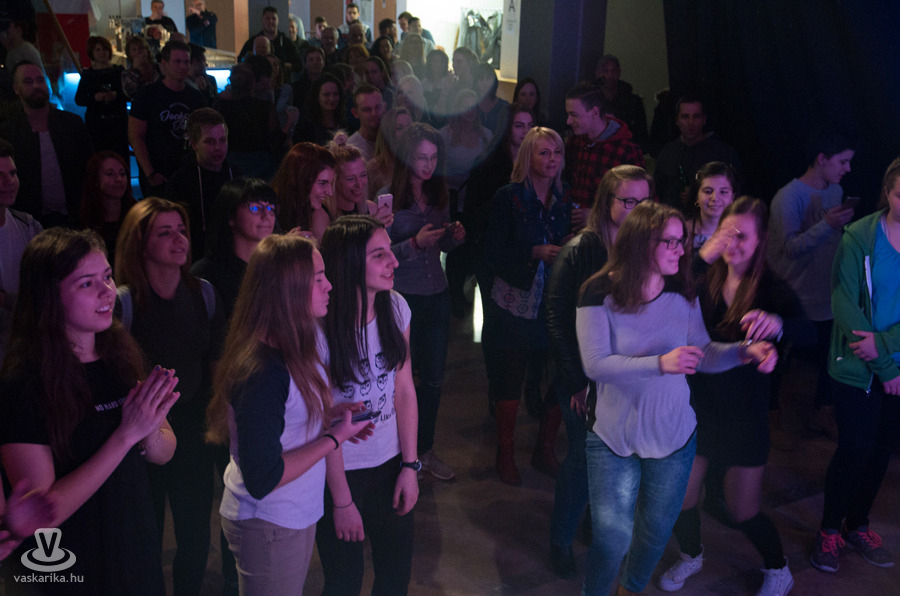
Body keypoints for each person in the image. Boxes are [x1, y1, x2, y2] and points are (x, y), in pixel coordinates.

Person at [575, 200, 777, 595]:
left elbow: (703, 352)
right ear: (639, 243)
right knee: (613, 539)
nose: (680, 250)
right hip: (613, 437)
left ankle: (630, 589)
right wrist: (660, 363)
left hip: (673, 436)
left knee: (654, 534)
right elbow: (595, 365)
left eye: (682, 240)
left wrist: (743, 352)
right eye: (669, 241)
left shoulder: (684, 291)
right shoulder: (598, 291)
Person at [0, 227, 177, 592]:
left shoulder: (118, 356)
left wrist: (148, 428)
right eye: (86, 283)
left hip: (134, 550)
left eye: (107, 277)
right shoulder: (22, 384)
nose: (107, 291)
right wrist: (125, 435)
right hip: (71, 567)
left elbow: (164, 453)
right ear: (49, 297)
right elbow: (43, 513)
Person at [206, 233, 374, 595]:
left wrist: (330, 415)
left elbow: (287, 418)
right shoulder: (261, 372)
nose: (329, 286)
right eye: (318, 278)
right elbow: (263, 477)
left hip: (291, 512)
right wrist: (332, 439)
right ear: (288, 290)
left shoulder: (299, 340)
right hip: (268, 521)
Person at [659, 197, 800, 595]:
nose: (733, 243)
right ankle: (691, 554)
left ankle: (778, 568)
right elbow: (670, 287)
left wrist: (778, 324)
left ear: (760, 240)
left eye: (743, 236)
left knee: (742, 510)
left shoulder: (770, 287)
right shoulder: (703, 278)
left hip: (744, 415)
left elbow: (807, 332)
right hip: (700, 407)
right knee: (681, 496)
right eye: (727, 233)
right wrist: (704, 253)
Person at [544, 164, 652, 578]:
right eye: (629, 201)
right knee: (582, 460)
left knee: (613, 457)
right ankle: (560, 539)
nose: (639, 210)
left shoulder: (642, 249)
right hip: (583, 378)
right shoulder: (579, 250)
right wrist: (576, 383)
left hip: (620, 376)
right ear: (607, 202)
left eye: (645, 201)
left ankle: (591, 520)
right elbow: (556, 321)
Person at [115, 198, 224, 596]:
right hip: (138, 436)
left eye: (181, 230)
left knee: (195, 537)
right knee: (143, 537)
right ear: (140, 243)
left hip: (193, 430)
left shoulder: (204, 294)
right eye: (165, 232)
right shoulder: (123, 303)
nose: (179, 239)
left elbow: (215, 363)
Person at [315, 215, 419, 596]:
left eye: (389, 251)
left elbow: (404, 389)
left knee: (395, 577)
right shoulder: (320, 328)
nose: (393, 261)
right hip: (341, 471)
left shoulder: (397, 308)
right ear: (348, 263)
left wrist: (410, 465)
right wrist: (342, 500)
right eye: (379, 255)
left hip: (390, 463)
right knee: (343, 581)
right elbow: (320, 420)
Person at [810, 157, 900, 574]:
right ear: (888, 193)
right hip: (860, 368)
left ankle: (857, 525)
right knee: (855, 449)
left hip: (893, 364)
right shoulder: (859, 237)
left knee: (882, 451)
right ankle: (829, 529)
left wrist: (886, 346)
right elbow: (843, 302)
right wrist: (886, 367)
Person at [484, 127, 574, 485]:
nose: (552, 160)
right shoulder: (508, 197)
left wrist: (570, 243)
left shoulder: (564, 196)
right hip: (515, 298)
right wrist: (534, 251)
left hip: (554, 297)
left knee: (559, 373)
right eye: (543, 153)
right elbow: (491, 252)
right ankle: (504, 453)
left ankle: (544, 449)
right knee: (510, 377)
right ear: (527, 156)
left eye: (557, 153)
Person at [386, 123, 464, 481]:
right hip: (403, 296)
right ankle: (400, 455)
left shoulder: (438, 195)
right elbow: (380, 253)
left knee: (433, 379)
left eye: (433, 158)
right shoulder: (388, 198)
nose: (428, 165)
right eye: (421, 157)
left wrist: (453, 237)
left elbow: (442, 245)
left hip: (436, 294)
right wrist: (414, 244)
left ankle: (425, 450)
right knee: (399, 379)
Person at [767, 132, 855, 441]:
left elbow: (830, 241)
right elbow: (790, 248)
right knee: (780, 358)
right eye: (842, 161)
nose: (847, 169)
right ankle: (772, 416)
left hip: (827, 291)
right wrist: (827, 224)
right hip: (794, 294)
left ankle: (822, 411)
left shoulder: (836, 190)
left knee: (834, 354)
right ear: (822, 159)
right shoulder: (789, 197)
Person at [0, 62, 91, 228]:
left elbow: (89, 168)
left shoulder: (72, 124)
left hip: (75, 217)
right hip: (29, 222)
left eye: (40, 80)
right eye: (28, 81)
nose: (36, 85)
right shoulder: (9, 133)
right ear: (16, 89)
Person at [129, 40, 207, 198]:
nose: (183, 66)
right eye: (177, 62)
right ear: (164, 64)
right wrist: (150, 173)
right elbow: (135, 136)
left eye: (186, 62)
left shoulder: (196, 98)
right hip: (158, 173)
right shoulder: (147, 95)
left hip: (188, 172)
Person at [439, 89, 492, 316]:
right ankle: (454, 294)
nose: (470, 112)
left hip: (477, 203)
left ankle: (463, 291)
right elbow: (438, 170)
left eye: (474, 106)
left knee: (471, 249)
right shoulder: (445, 135)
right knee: (455, 249)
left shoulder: (486, 135)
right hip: (453, 202)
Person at [192, 178, 276, 316]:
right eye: (255, 208)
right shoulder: (207, 273)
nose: (266, 216)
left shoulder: (277, 267)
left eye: (270, 208)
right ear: (231, 215)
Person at [166, 107, 238, 256]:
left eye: (222, 140)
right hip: (197, 254)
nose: (218, 148)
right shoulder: (180, 181)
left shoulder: (236, 175)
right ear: (194, 144)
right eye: (210, 142)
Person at [564, 81, 645, 208]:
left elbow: (641, 203)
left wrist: (596, 214)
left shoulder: (625, 150)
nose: (568, 121)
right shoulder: (575, 143)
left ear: (594, 113)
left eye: (574, 115)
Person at [654, 96, 741, 209]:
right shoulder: (668, 152)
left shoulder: (722, 153)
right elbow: (657, 191)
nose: (691, 123)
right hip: (672, 215)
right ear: (677, 120)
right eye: (685, 117)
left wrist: (700, 194)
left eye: (696, 116)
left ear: (704, 119)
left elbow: (737, 192)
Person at [213, 61, 291, 181]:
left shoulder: (221, 105)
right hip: (261, 165)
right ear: (253, 84)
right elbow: (276, 139)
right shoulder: (265, 107)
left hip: (229, 161)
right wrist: (289, 123)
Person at [0, 142, 42, 361]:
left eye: (12, 173)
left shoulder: (29, 226)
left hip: (28, 350)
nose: (9, 182)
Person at [75, 36, 129, 162]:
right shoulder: (88, 75)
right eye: (98, 50)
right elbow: (79, 99)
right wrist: (95, 98)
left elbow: (129, 94)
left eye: (104, 49)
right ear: (92, 53)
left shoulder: (119, 71)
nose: (102, 53)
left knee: (120, 158)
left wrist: (117, 95)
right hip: (97, 125)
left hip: (118, 123)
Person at [272, 142, 336, 243]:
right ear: (301, 179)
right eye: (323, 183)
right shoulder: (268, 210)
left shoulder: (316, 212)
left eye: (330, 183)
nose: (329, 192)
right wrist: (283, 244)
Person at [80, 150, 135, 267]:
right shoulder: (82, 220)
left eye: (122, 174)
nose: (119, 179)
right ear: (95, 180)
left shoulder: (137, 214)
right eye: (110, 174)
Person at [594, 55, 649, 152]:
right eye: (605, 71)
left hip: (625, 153)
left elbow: (641, 137)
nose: (610, 76)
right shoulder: (590, 101)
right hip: (596, 153)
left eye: (614, 71)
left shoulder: (633, 103)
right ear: (597, 73)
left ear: (619, 73)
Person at [331, 145, 392, 226]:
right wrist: (370, 226)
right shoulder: (323, 215)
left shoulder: (372, 209)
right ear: (335, 180)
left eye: (363, 175)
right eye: (351, 179)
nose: (359, 184)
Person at [686, 161, 738, 250]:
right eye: (708, 191)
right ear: (697, 197)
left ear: (732, 197)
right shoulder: (682, 231)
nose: (715, 198)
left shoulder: (740, 233)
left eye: (723, 192)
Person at [237, 6, 302, 74]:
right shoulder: (254, 41)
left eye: (273, 18)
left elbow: (299, 65)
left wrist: (280, 65)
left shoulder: (286, 42)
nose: (270, 21)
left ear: (278, 21)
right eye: (267, 18)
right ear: (262, 20)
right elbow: (240, 61)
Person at [366, 106, 413, 200]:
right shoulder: (373, 168)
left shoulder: (418, 163)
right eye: (399, 128)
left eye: (409, 127)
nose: (406, 132)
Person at [294, 72, 346, 146]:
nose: (332, 99)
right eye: (326, 95)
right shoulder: (305, 126)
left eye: (335, 94)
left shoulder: (344, 123)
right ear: (317, 97)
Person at [121, 35, 160, 100]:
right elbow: (132, 93)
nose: (138, 52)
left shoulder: (158, 68)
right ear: (129, 53)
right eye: (134, 50)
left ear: (147, 50)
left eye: (141, 48)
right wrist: (136, 69)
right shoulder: (126, 74)